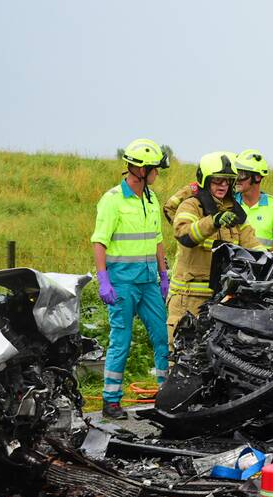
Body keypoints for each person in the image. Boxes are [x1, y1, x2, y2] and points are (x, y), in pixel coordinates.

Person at [90, 138, 172, 419]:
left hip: (149, 282)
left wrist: (164, 275)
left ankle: (166, 394)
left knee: (162, 337)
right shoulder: (112, 200)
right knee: (121, 341)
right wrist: (104, 280)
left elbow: (158, 240)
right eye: (155, 169)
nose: (157, 174)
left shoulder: (151, 198)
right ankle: (111, 399)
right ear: (140, 169)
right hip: (122, 283)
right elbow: (99, 242)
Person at [167, 151, 260, 343]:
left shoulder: (233, 213)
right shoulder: (192, 206)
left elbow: (255, 249)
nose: (223, 186)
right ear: (206, 180)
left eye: (227, 181)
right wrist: (213, 222)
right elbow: (185, 235)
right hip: (188, 299)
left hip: (220, 300)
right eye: (218, 180)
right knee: (182, 358)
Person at [233, 149, 273, 249]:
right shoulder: (230, 204)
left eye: (242, 174)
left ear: (257, 177)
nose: (237, 179)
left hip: (263, 263)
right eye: (235, 174)